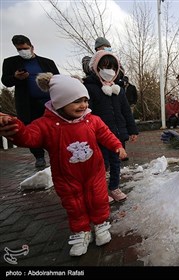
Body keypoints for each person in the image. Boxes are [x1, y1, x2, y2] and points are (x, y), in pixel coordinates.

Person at [0, 73, 127, 257]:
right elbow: (29, 136)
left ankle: (100, 225)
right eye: (76, 101)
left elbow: (105, 134)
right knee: (74, 205)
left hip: (94, 172)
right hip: (66, 177)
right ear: (60, 102)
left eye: (85, 100)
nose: (83, 105)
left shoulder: (92, 120)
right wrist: (15, 129)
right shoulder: (47, 124)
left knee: (98, 199)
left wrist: (116, 146)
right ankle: (81, 231)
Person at [84, 50, 139, 203]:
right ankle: (100, 190)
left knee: (116, 163)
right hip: (100, 136)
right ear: (96, 68)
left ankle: (114, 187)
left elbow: (126, 111)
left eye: (113, 68)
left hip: (118, 134)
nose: (109, 71)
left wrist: (132, 130)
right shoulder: (90, 88)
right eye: (105, 67)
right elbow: (87, 114)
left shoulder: (118, 90)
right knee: (101, 164)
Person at [1, 35, 60, 168]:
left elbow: (58, 79)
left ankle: (56, 153)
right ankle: (39, 156)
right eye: (19, 49)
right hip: (27, 104)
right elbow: (6, 81)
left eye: (25, 48)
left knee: (53, 128)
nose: (23, 51)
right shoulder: (10, 62)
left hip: (48, 102)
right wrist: (16, 77)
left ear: (32, 47)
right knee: (31, 129)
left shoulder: (47, 62)